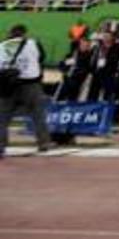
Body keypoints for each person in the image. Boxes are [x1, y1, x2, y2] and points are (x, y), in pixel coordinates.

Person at [0, 25, 52, 157]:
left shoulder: (2, 46)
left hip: (8, 85)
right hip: (31, 84)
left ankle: (1, 146)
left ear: (10, 33)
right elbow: (41, 58)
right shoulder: (33, 43)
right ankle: (43, 143)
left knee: (2, 117)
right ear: (24, 33)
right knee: (38, 114)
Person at [86, 31, 119, 104]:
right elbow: (92, 58)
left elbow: (117, 61)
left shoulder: (117, 48)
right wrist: (91, 70)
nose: (106, 38)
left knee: (107, 95)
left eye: (108, 36)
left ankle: (105, 108)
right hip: (97, 73)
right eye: (104, 36)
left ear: (112, 37)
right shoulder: (97, 47)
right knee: (92, 94)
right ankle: (91, 107)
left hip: (109, 74)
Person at [59, 37, 94, 102]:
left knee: (72, 97)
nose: (84, 47)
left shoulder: (90, 57)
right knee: (61, 95)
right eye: (82, 45)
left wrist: (77, 72)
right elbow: (62, 64)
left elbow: (87, 69)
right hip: (67, 78)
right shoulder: (72, 54)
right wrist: (65, 70)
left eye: (86, 46)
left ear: (88, 47)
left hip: (77, 80)